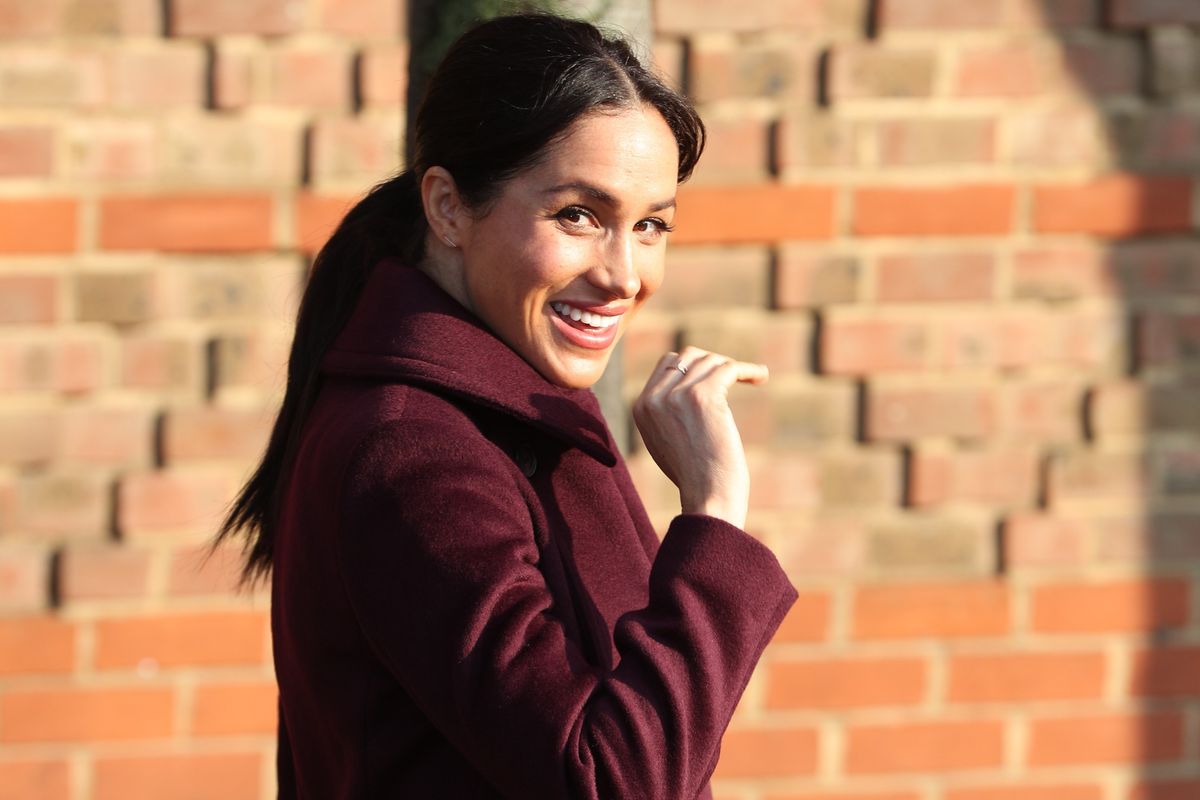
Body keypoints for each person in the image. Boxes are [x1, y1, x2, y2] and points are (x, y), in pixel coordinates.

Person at [217, 12, 797, 799]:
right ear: (449, 207)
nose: (625, 274)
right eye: (578, 216)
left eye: (652, 224)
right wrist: (715, 512)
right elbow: (614, 778)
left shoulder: (507, 400)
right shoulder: (416, 452)